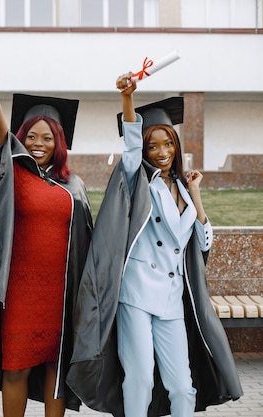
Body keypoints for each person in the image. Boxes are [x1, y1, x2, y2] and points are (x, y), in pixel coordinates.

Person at [66, 73, 243, 416]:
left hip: (172, 298)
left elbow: (203, 242)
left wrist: (196, 196)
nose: (162, 152)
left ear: (176, 146)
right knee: (141, 379)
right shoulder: (138, 181)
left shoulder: (182, 186)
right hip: (136, 295)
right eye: (153, 145)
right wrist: (128, 99)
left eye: (168, 144)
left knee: (181, 386)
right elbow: (130, 147)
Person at [0, 57, 93, 417]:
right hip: (19, 290)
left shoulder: (72, 185)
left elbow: (87, 241)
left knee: (54, 368)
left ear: (59, 142)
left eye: (47, 138)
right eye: (30, 136)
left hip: (60, 292)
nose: (38, 143)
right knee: (15, 367)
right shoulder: (12, 171)